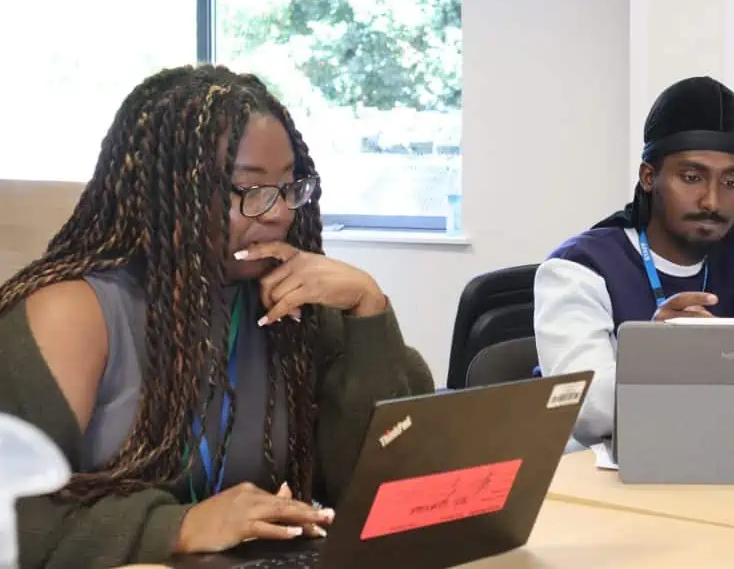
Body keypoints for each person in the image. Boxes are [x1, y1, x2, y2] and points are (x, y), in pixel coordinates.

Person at [0, 64, 434, 568]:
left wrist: (368, 310)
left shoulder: (289, 302)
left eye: (289, 187)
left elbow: (387, 487)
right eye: (249, 190)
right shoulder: (73, 313)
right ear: (167, 191)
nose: (277, 213)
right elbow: (11, 516)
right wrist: (177, 526)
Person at [534, 76, 734, 445]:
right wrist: (658, 354)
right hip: (599, 472)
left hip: (717, 454)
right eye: (692, 177)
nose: (711, 201)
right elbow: (582, 412)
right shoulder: (580, 267)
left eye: (730, 183)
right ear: (649, 176)